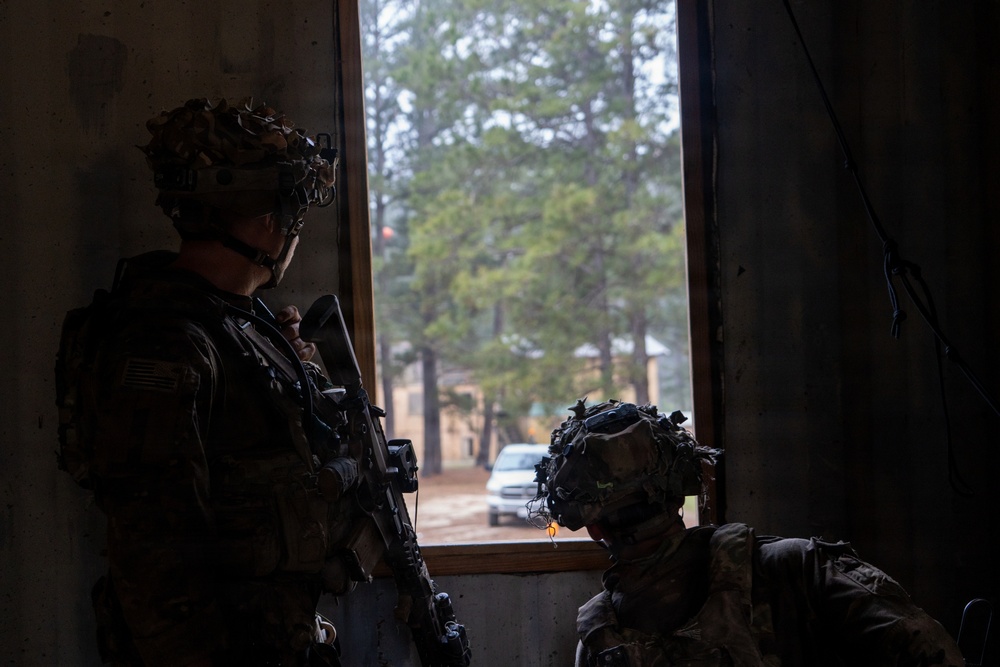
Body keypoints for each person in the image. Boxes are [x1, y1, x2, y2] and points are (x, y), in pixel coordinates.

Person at [56, 98, 346, 666]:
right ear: (269, 222)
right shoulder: (167, 340)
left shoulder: (239, 321)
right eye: (292, 214)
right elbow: (158, 559)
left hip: (274, 638)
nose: (293, 231)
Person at [534, 399, 966, 666]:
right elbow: (928, 648)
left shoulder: (601, 635)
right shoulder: (796, 567)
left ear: (592, 528)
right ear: (681, 489)